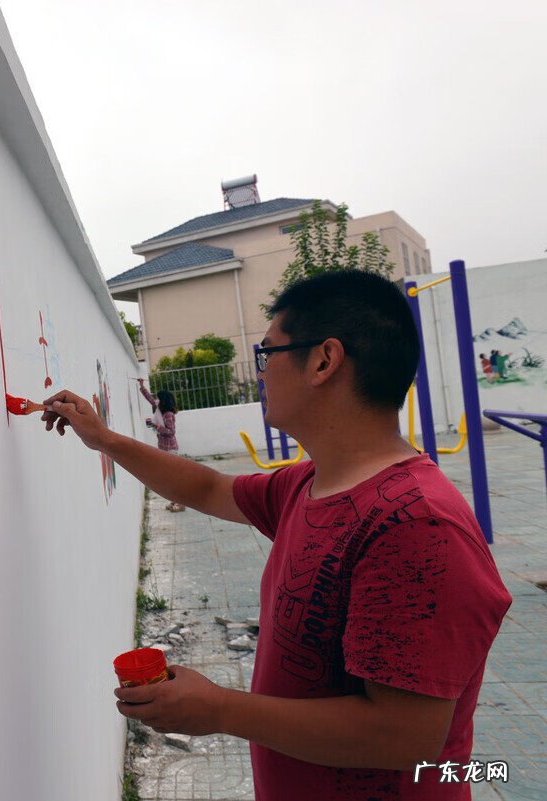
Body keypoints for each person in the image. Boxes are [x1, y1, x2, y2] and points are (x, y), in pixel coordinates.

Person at [40, 271, 511, 800]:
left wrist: (219, 709)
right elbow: (209, 487)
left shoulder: (415, 525)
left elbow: (406, 737)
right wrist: (102, 438)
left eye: (268, 355)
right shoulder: (309, 483)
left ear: (323, 361)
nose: (261, 374)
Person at [137, 380, 184, 511]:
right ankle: (174, 501)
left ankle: (181, 503)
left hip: (170, 449)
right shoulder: (159, 408)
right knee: (169, 478)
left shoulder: (168, 414)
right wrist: (141, 386)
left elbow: (171, 431)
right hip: (163, 447)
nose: (156, 400)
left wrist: (156, 426)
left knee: (173, 477)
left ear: (163, 400)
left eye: (158, 398)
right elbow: (150, 399)